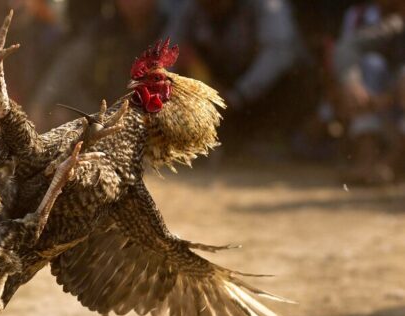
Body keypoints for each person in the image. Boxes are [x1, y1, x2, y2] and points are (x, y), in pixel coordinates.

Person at [166, 0, 317, 157]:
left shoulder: (267, 5)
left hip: (266, 89)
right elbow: (167, 49)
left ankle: (277, 138)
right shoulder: (192, 7)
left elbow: (277, 56)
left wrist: (237, 96)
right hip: (223, 85)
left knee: (293, 75)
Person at [30, 0, 168, 129]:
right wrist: (41, 104)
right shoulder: (103, 31)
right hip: (101, 110)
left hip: (147, 119)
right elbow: (69, 64)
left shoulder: (167, 30)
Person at [334, 0, 405, 184]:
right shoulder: (395, 26)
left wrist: (390, 97)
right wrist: (352, 84)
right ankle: (366, 158)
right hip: (390, 110)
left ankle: (392, 162)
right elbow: (347, 47)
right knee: (371, 64)